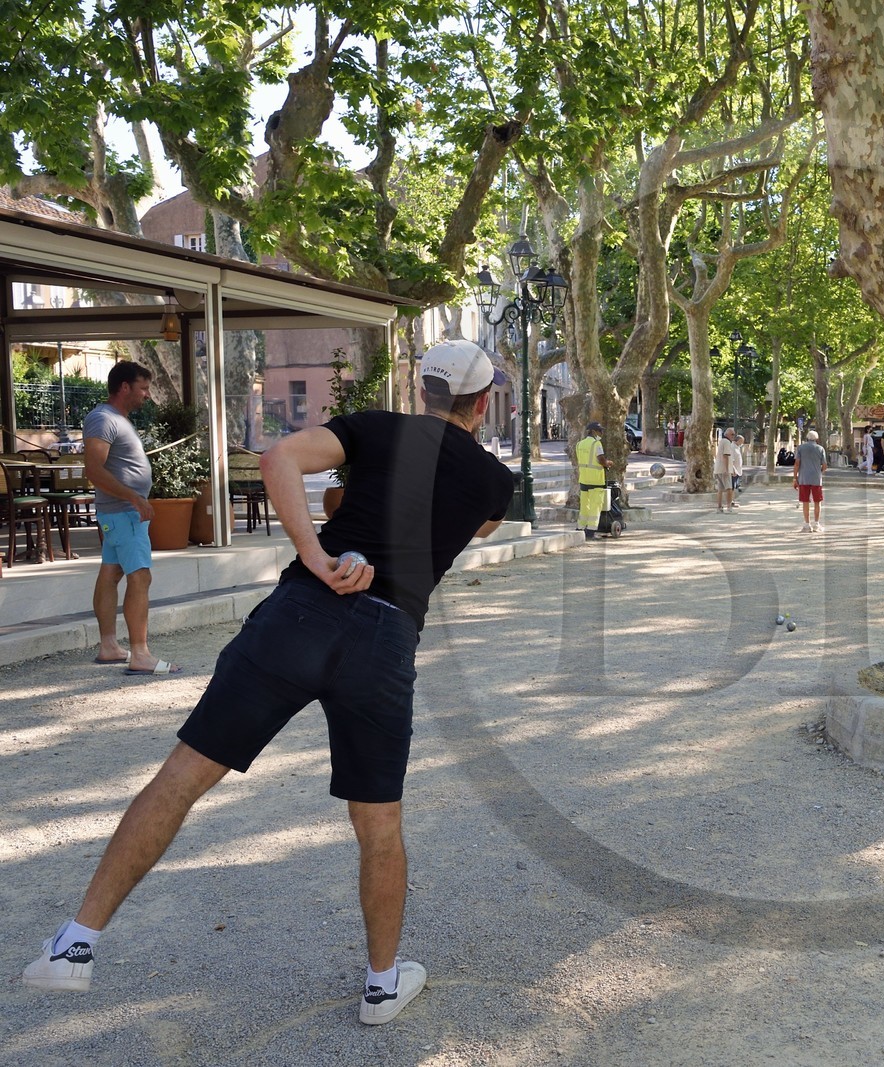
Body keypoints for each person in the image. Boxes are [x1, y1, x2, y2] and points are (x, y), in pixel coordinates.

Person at [22, 339, 516, 1025]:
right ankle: (380, 984)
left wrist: (316, 554)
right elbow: (479, 524)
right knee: (379, 823)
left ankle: (75, 944)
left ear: (423, 388)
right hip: (385, 636)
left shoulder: (375, 426)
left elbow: (280, 456)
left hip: (302, 612)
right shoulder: (495, 480)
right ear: (484, 402)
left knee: (184, 774)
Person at [82, 360, 175, 674]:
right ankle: (140, 654)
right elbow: (93, 470)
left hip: (120, 512)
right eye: (143, 387)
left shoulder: (115, 419)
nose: (147, 395)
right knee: (141, 576)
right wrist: (133, 497)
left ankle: (109, 646)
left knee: (112, 574)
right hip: (123, 512)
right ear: (124, 387)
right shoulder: (102, 419)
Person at [575, 421, 611, 540]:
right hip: (596, 480)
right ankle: (590, 531)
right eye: (600, 431)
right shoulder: (597, 444)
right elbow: (600, 459)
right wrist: (608, 463)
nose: (602, 433)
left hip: (584, 479)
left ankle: (580, 528)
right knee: (596, 505)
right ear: (594, 431)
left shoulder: (579, 444)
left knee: (585, 505)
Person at [794, 429, 827, 532]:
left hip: (803, 478)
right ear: (816, 439)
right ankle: (816, 524)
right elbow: (825, 466)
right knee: (817, 501)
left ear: (807, 438)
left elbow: (797, 463)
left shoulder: (801, 448)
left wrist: (795, 477)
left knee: (805, 501)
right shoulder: (820, 449)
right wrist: (819, 471)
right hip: (816, 479)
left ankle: (807, 525)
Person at [714, 428, 738, 512]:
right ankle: (729, 507)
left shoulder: (722, 441)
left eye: (734, 434)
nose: (733, 436)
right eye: (732, 434)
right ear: (727, 434)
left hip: (718, 469)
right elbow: (725, 456)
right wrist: (727, 469)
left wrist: (732, 468)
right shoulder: (727, 442)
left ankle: (719, 507)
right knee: (729, 489)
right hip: (724, 470)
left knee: (720, 489)